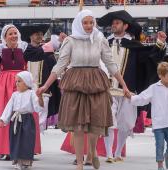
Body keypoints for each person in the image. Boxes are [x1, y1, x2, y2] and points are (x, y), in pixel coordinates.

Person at [37, 9, 130, 170]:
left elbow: (111, 64)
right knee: (78, 126)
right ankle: (80, 163)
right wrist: (45, 85)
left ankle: (92, 152)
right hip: (76, 82)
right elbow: (61, 65)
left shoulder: (100, 40)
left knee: (96, 123)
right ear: (79, 23)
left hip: (96, 82)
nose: (88, 26)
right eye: (85, 22)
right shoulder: (70, 41)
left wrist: (124, 85)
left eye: (91, 22)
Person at [97, 10, 167, 162]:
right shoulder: (104, 43)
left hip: (128, 92)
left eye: (117, 23)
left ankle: (117, 153)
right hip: (107, 91)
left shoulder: (134, 46)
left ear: (125, 26)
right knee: (108, 122)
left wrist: (160, 43)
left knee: (125, 124)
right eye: (113, 23)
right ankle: (108, 153)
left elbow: (150, 58)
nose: (113, 25)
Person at [0, 24, 53, 157]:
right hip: (3, 85)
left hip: (22, 82)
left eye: (15, 33)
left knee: (24, 113)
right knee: (4, 112)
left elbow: (37, 54)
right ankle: (2, 147)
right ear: (5, 37)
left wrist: (53, 44)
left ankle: (24, 147)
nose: (14, 36)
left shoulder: (24, 47)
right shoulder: (0, 49)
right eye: (10, 34)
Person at [131, 62, 168, 170]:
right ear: (161, 76)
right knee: (159, 145)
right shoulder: (154, 88)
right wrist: (132, 98)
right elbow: (143, 98)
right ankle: (160, 165)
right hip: (159, 124)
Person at [0, 71, 48, 170]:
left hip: (27, 120)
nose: (16, 83)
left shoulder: (31, 94)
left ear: (26, 82)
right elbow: (9, 107)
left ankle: (26, 161)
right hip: (16, 120)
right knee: (16, 140)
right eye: (16, 81)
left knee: (27, 140)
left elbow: (38, 108)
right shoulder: (14, 95)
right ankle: (17, 160)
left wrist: (40, 98)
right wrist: (3, 119)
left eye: (19, 81)